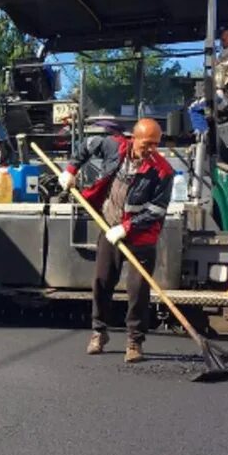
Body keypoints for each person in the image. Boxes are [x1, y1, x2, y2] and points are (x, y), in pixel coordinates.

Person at [57, 118, 175, 363]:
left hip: (141, 236)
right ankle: (99, 332)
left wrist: (126, 227)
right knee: (102, 281)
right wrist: (71, 170)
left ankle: (134, 341)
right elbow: (87, 144)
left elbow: (157, 210)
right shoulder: (115, 148)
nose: (151, 149)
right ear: (133, 139)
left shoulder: (162, 171)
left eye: (156, 144)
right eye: (146, 144)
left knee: (138, 290)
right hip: (109, 227)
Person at [187, 27, 228, 133]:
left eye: (224, 40)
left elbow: (215, 66)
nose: (222, 44)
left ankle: (202, 136)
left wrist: (218, 88)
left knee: (194, 109)